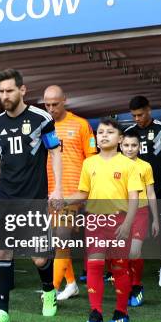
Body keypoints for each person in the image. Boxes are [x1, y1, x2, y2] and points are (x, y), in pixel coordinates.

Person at [0, 69, 63, 322]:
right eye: (1, 92)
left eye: (9, 91)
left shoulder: (42, 119)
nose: (5, 96)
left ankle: (48, 291)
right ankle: (2, 311)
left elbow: (55, 153)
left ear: (22, 90)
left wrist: (58, 188)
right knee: (3, 250)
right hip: (6, 197)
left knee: (39, 258)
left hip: (34, 197)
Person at [67, 118, 143, 322]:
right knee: (95, 265)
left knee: (119, 266)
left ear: (120, 139)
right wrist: (63, 200)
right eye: (100, 132)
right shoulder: (89, 163)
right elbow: (83, 193)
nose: (103, 135)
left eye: (109, 132)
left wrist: (128, 224)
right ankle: (95, 313)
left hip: (120, 221)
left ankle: (121, 311)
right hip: (95, 220)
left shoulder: (129, 165)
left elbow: (134, 197)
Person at [43, 84, 96, 301]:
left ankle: (53, 288)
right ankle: (72, 283)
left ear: (65, 99)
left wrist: (86, 193)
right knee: (58, 240)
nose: (51, 109)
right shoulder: (44, 126)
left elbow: (92, 160)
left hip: (73, 192)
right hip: (51, 192)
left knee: (62, 238)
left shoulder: (81, 125)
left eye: (55, 104)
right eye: (47, 105)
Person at [125, 95, 161, 287]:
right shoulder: (129, 132)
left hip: (159, 191)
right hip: (134, 193)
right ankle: (123, 269)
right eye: (133, 116)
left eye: (140, 114)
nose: (137, 119)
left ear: (149, 109)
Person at [120, 130, 160, 306]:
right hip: (119, 213)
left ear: (139, 146)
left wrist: (156, 219)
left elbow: (151, 193)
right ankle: (127, 286)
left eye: (134, 145)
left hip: (141, 213)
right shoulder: (114, 165)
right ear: (120, 146)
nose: (130, 149)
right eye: (126, 145)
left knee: (134, 252)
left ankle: (137, 286)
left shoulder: (145, 166)